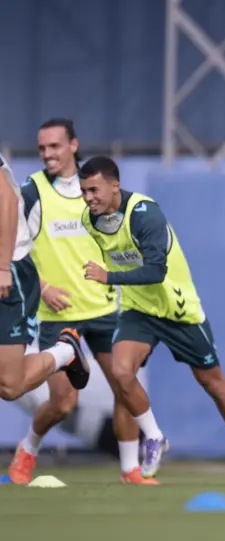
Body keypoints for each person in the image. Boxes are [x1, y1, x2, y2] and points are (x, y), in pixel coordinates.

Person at [78, 156, 225, 485]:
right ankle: (154, 436)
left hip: (178, 309)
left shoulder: (144, 214)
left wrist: (108, 277)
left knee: (214, 384)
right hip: (138, 310)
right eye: (83, 191)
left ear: (114, 185)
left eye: (94, 190)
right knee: (121, 373)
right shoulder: (89, 220)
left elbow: (155, 271)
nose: (88, 198)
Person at [7, 119, 149, 485]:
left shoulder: (100, 190)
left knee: (126, 385)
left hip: (105, 311)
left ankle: (130, 470)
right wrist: (43, 288)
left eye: (54, 146)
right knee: (63, 403)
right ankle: (28, 448)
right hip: (58, 316)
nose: (47, 154)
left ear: (73, 145)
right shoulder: (32, 193)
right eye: (42, 148)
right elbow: (15, 247)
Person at [0, 152, 89, 403]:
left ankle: (65, 352)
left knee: (10, 386)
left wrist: (3, 267)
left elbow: (6, 199)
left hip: (10, 269)